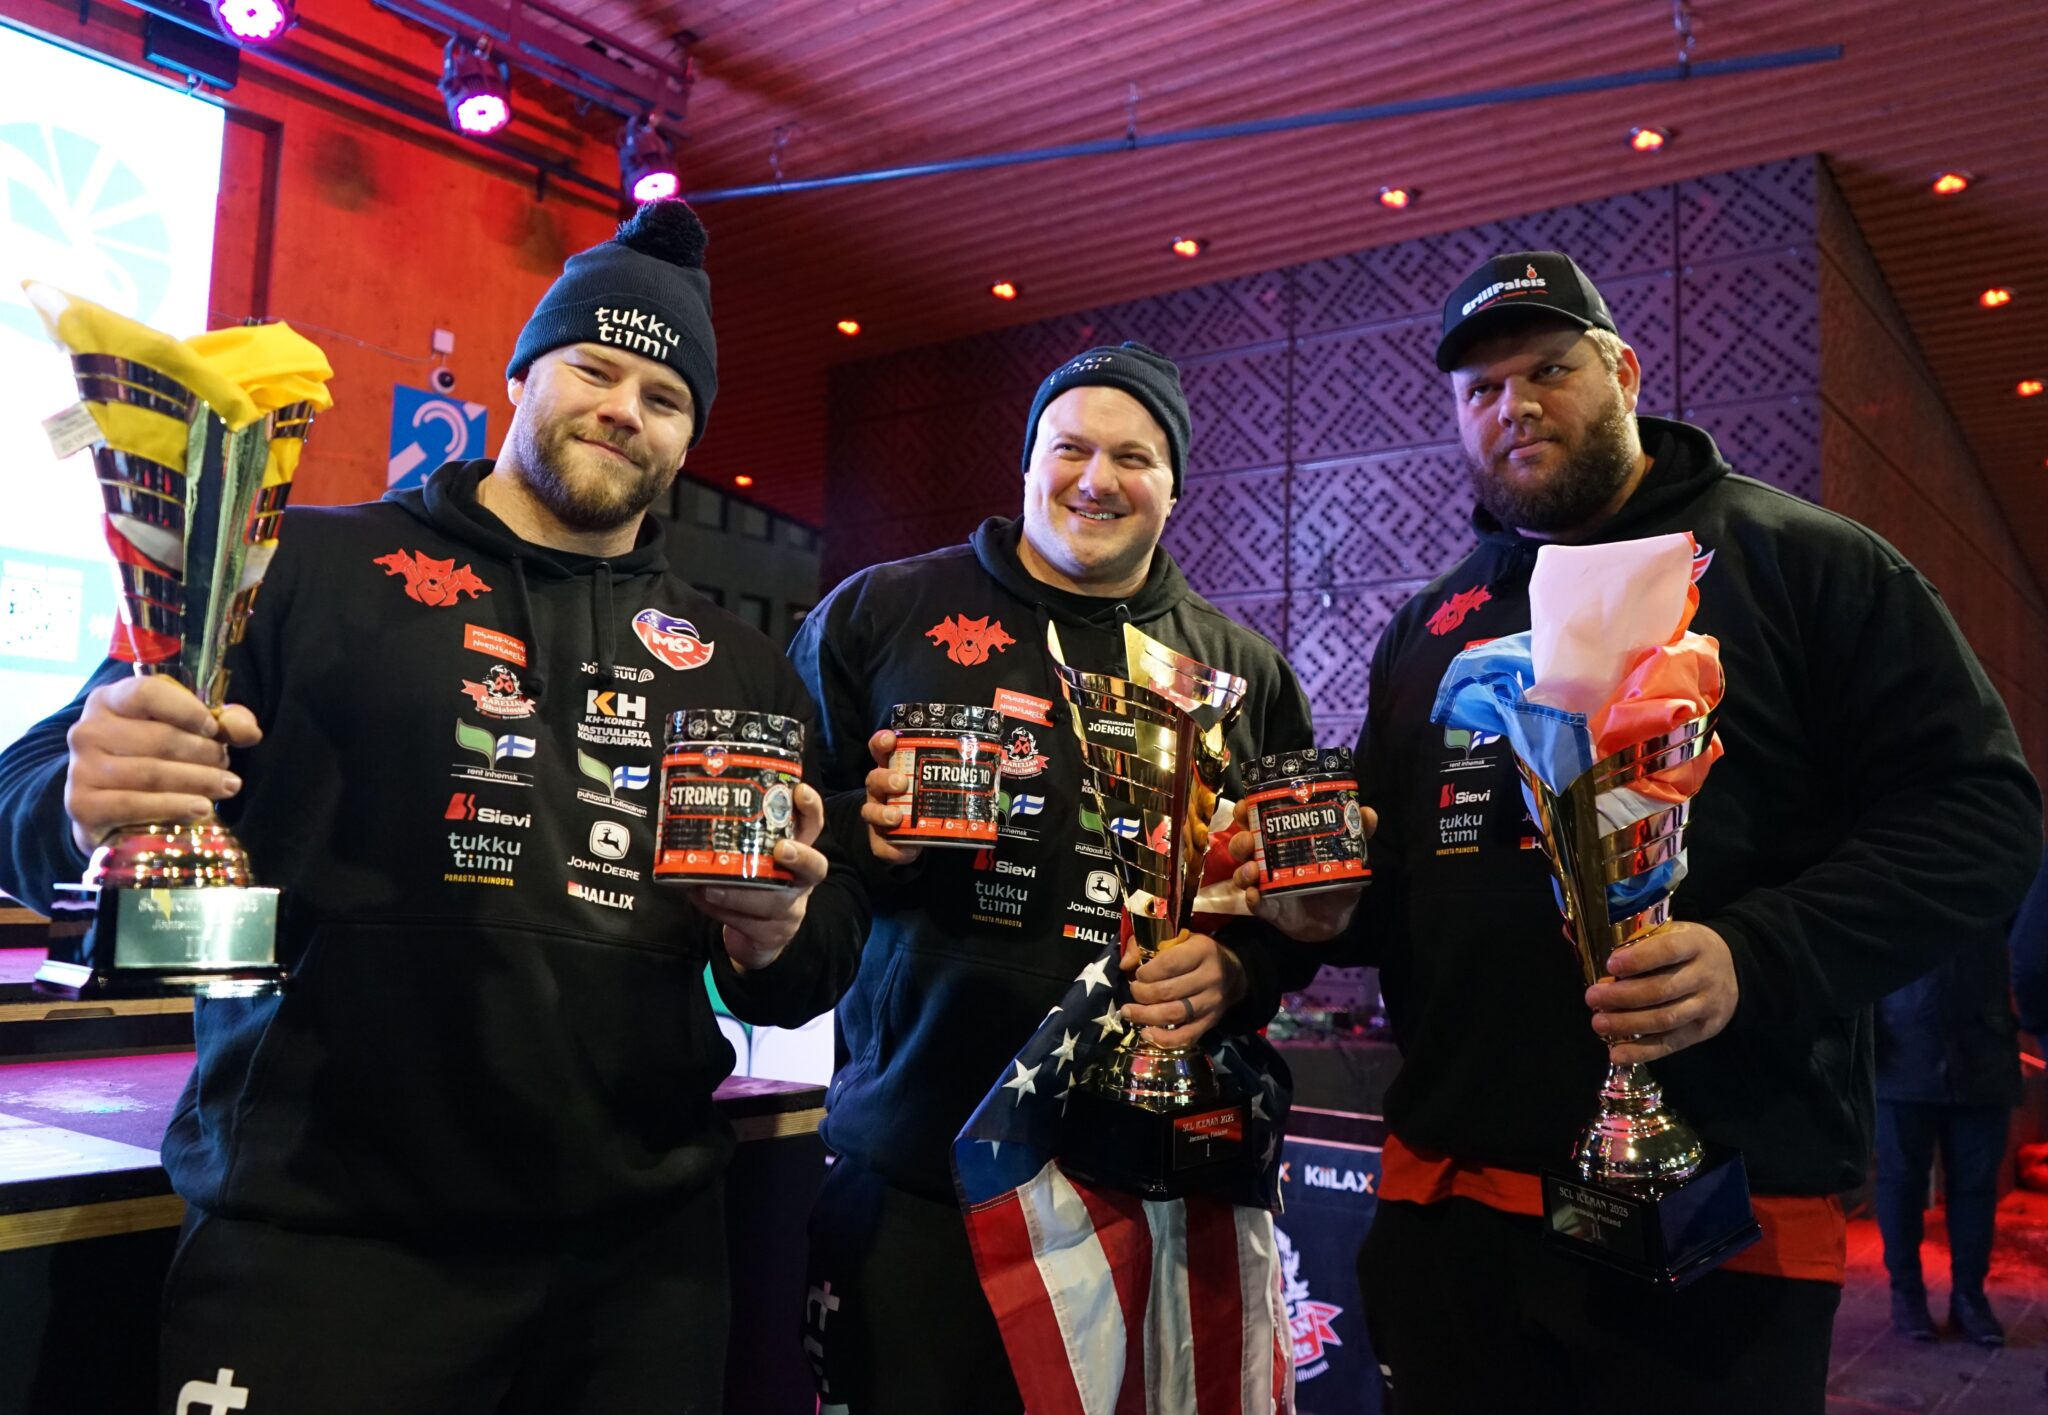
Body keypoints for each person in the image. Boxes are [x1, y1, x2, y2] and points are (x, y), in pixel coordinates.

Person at [0, 201, 868, 1415]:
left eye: (666, 397)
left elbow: (807, 963)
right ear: (521, 374)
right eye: (596, 368)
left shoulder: (741, 667)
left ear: (688, 438)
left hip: (636, 1268)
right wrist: (85, 791)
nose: (626, 407)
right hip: (325, 1240)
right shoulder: (295, 563)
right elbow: (23, 799)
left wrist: (776, 935)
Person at [1232, 250, 2043, 1412]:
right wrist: (1316, 914)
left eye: (1547, 369)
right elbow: (1398, 882)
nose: (1513, 405)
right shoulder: (1430, 623)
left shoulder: (1804, 562)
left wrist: (1752, 954)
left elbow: (1977, 814)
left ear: (1620, 369)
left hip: (1716, 1218)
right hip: (1456, 1212)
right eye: (1480, 389)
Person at [787, 343, 1318, 1414]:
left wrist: (1240, 972)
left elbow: (1290, 903)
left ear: (1172, 485)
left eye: (1133, 455)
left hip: (1151, 1181)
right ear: (1025, 463)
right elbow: (784, 834)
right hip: (919, 1170)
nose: (1095, 477)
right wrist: (860, 826)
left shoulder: (1237, 667)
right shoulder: (882, 610)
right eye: (1068, 447)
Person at [1873, 927, 2021, 1346]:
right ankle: (1907, 1295)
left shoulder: (1995, 866)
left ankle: (1969, 1298)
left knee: (1975, 1187)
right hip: (1902, 1044)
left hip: (1982, 1048)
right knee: (1902, 1184)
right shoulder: (1888, 868)